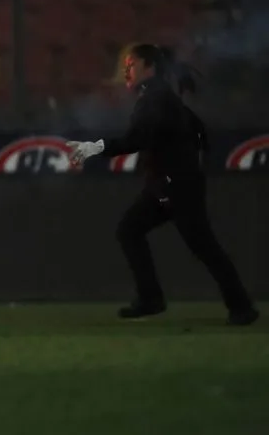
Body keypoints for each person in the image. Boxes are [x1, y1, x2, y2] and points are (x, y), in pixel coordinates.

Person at [66, 44, 259, 326]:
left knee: (201, 246)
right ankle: (152, 299)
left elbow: (136, 139)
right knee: (132, 230)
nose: (126, 70)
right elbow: (195, 132)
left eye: (131, 64)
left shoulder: (155, 98)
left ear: (149, 67)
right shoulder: (159, 96)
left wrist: (92, 148)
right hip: (169, 185)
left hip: (176, 186)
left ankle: (239, 307)